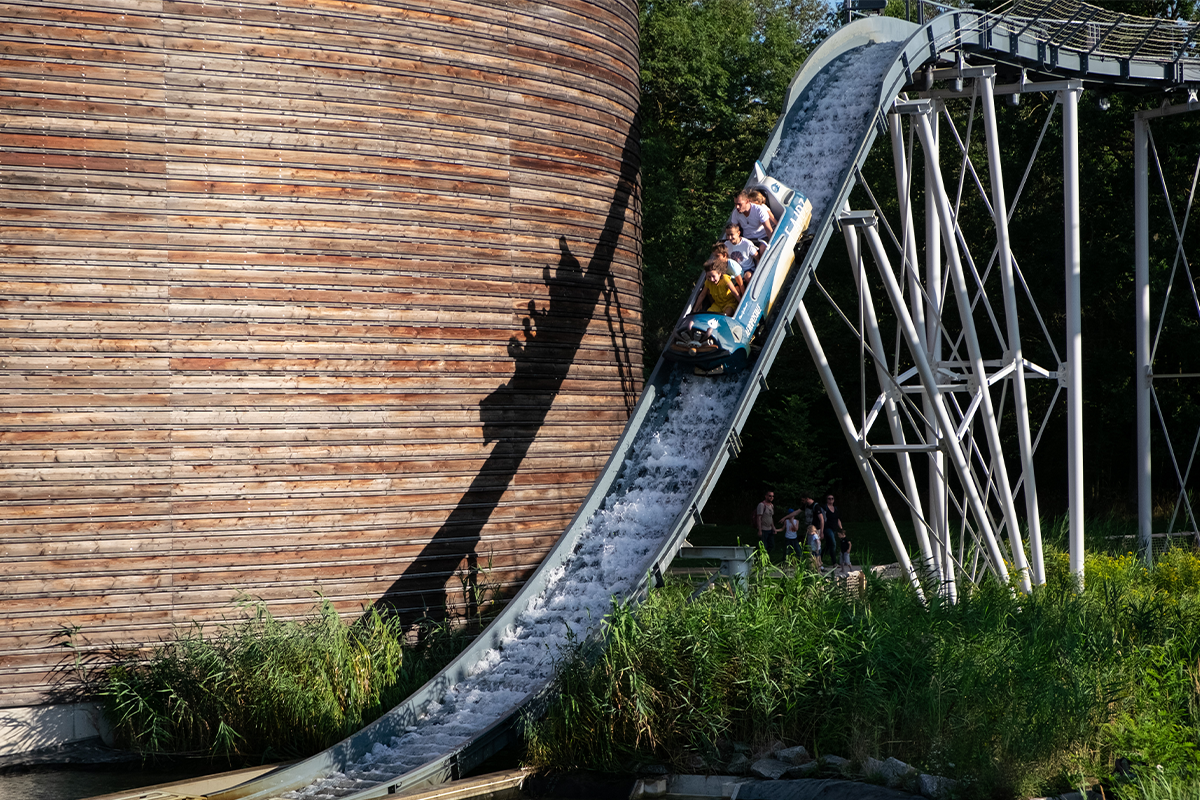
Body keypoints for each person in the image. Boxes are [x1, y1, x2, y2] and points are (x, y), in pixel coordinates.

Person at [729, 190, 774, 256]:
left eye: (739, 204)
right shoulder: (735, 213)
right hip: (747, 239)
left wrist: (772, 245)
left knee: (762, 250)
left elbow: (769, 230)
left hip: (762, 238)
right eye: (735, 204)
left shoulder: (759, 210)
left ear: (747, 201)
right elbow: (734, 230)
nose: (737, 207)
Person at [818, 493, 843, 569]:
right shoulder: (824, 508)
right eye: (829, 498)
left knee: (828, 545)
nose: (831, 500)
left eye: (832, 498)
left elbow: (838, 519)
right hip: (827, 528)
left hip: (834, 528)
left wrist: (841, 528)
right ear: (827, 500)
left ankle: (819, 559)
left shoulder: (835, 509)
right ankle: (834, 562)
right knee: (833, 543)